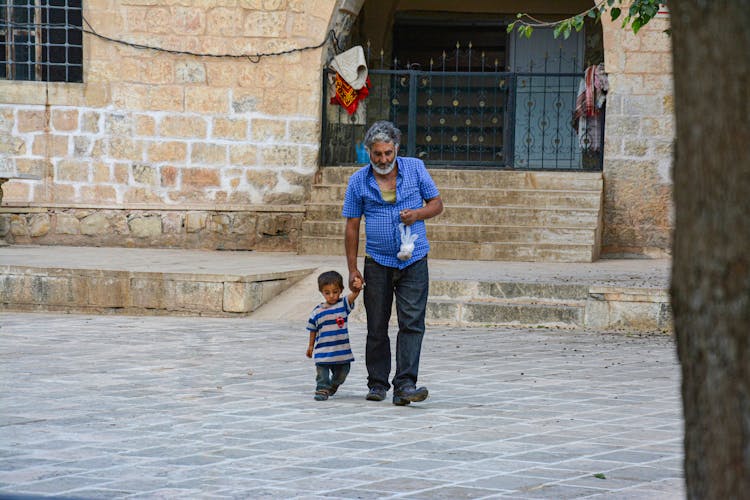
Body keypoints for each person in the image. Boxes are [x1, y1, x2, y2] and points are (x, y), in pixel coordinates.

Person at [342, 120, 444, 406]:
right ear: (368, 153)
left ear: (396, 149)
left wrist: (418, 214)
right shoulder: (358, 181)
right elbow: (352, 225)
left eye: (388, 153)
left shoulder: (415, 169)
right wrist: (352, 268)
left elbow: (437, 204)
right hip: (377, 262)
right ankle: (377, 384)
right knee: (377, 324)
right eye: (377, 154)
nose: (384, 159)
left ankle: (405, 385)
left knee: (412, 322)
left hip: (414, 260)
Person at [306, 270, 362, 401]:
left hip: (341, 352)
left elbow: (354, 294)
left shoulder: (343, 305)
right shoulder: (317, 312)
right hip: (323, 351)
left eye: (335, 292)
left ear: (341, 290)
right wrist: (310, 346)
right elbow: (312, 329)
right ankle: (322, 389)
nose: (331, 296)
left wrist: (358, 286)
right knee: (322, 373)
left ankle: (334, 384)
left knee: (343, 373)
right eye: (327, 293)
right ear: (322, 292)